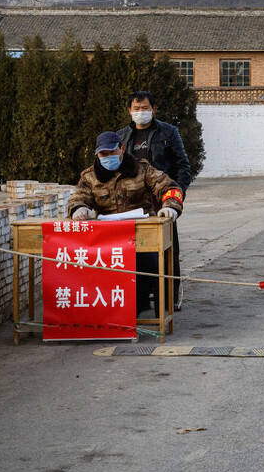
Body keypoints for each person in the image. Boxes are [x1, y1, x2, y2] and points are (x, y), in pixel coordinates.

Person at [69, 131, 185, 315]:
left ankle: (147, 313)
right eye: (103, 154)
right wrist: (77, 209)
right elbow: (77, 198)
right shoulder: (90, 177)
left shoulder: (143, 170)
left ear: (122, 149)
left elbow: (170, 188)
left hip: (142, 237)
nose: (108, 157)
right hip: (108, 241)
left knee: (149, 266)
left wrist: (170, 206)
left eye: (112, 152)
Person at [116, 91, 193, 310]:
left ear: (154, 109)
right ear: (129, 110)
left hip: (162, 204)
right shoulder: (121, 137)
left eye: (145, 108)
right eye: (137, 108)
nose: (141, 112)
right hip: (132, 206)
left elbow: (183, 167)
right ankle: (141, 300)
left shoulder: (168, 133)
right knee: (137, 253)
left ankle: (170, 298)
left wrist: (176, 199)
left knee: (168, 251)